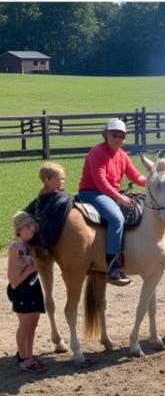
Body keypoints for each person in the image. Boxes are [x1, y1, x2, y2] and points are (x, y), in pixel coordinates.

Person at [77, 118, 146, 285]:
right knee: (116, 219)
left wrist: (154, 180)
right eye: (114, 135)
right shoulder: (97, 152)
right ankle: (113, 267)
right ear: (106, 135)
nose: (118, 139)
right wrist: (119, 197)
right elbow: (100, 182)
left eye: (121, 136)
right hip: (91, 192)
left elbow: (135, 176)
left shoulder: (122, 155)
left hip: (110, 193)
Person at [7, 212, 46, 373]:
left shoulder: (27, 246)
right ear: (21, 229)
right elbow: (13, 280)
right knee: (25, 325)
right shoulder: (16, 248)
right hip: (22, 289)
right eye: (30, 229)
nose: (33, 232)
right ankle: (24, 359)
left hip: (33, 287)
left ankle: (29, 355)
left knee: (33, 323)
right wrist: (30, 269)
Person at [23, 162, 72, 250]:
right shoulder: (40, 201)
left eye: (63, 179)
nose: (63, 182)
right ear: (47, 180)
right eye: (59, 179)